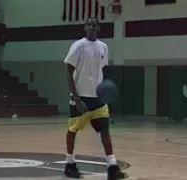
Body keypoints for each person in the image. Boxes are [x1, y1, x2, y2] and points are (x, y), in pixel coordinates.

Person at [63, 17, 127, 180]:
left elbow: (102, 71)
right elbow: (69, 73)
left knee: (104, 131)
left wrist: (105, 92)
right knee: (73, 130)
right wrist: (76, 99)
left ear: (98, 28)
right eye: (89, 25)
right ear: (85, 27)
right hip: (81, 97)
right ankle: (69, 164)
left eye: (94, 25)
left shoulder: (103, 47)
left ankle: (112, 167)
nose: (91, 27)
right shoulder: (78, 46)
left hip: (98, 98)